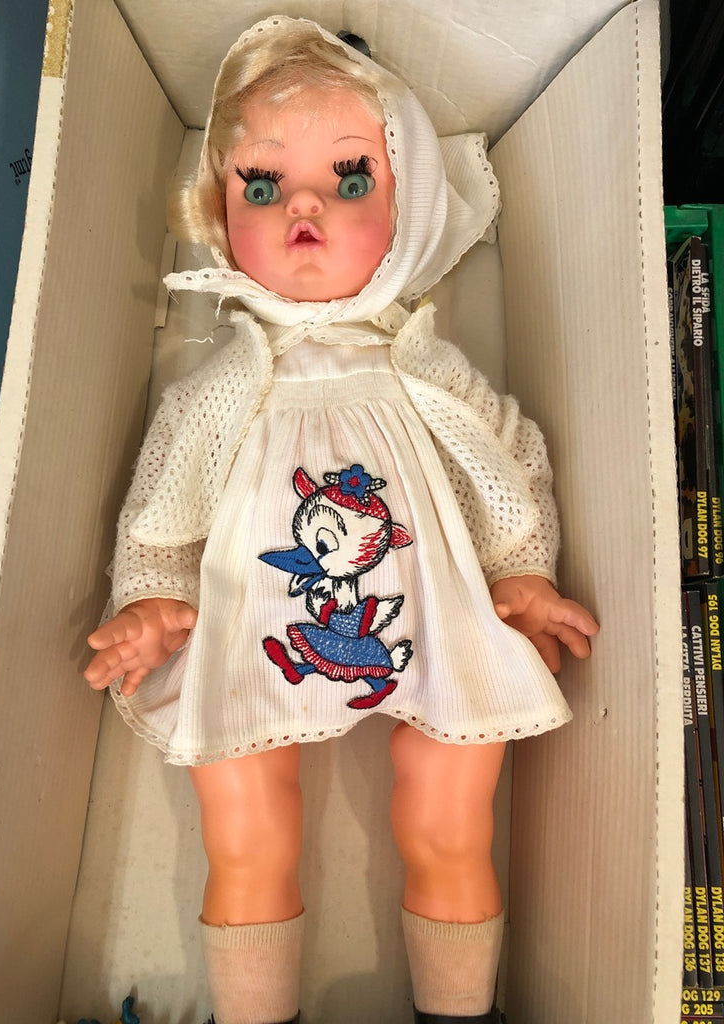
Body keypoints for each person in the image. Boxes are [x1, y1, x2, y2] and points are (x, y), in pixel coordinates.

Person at [84, 16, 598, 1024]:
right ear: (217, 209)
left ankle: (460, 1010)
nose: (304, 204)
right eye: (261, 185)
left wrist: (521, 570)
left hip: (434, 616)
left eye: (351, 177)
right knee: (245, 827)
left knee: (452, 812)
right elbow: (160, 512)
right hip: (252, 620)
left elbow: (504, 464)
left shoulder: (424, 363)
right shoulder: (219, 388)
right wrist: (152, 596)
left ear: (410, 211)